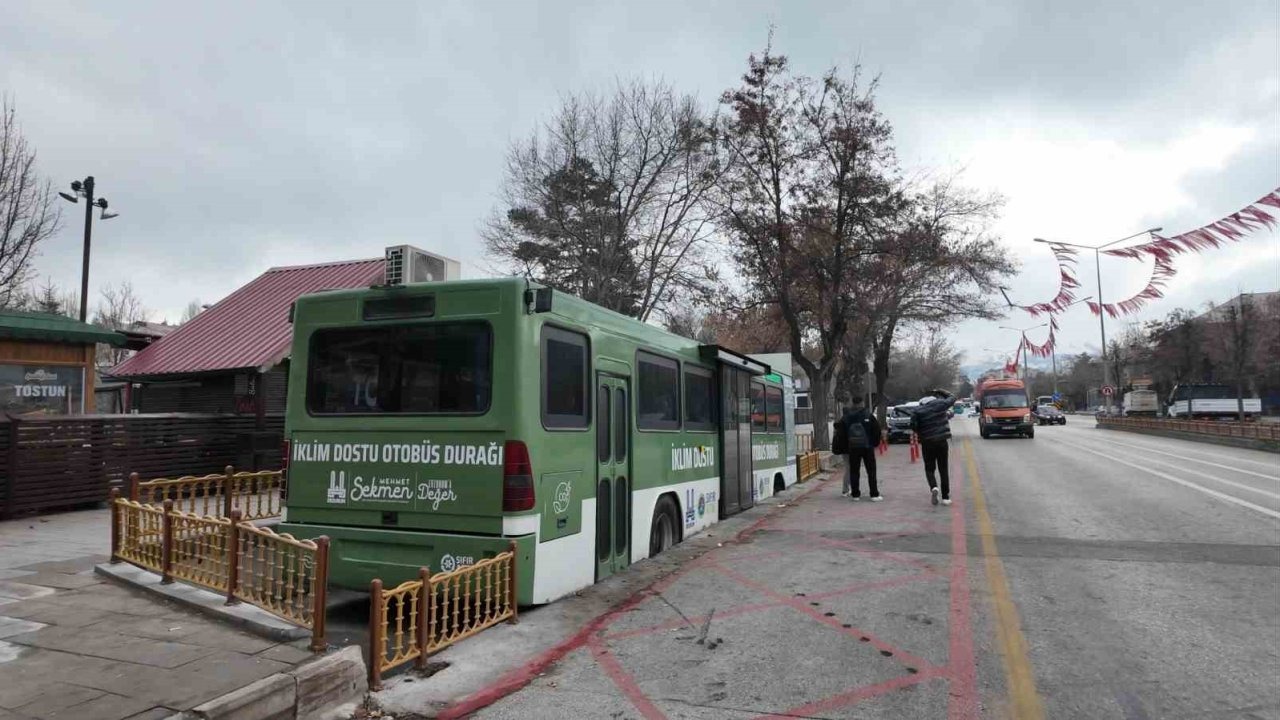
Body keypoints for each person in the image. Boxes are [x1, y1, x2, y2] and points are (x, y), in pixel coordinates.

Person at [910, 388, 957, 506]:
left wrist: (921, 430)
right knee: (943, 469)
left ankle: (934, 487)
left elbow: (913, 426)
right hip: (942, 441)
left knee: (929, 468)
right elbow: (952, 397)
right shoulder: (940, 404)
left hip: (927, 443)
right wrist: (941, 391)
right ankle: (946, 497)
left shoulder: (917, 411)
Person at [837, 397, 882, 501]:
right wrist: (874, 443)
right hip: (867, 447)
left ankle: (855, 494)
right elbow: (876, 430)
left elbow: (841, 433)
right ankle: (874, 494)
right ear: (862, 403)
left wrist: (846, 446)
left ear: (853, 403)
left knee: (854, 471)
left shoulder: (847, 417)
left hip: (853, 448)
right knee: (871, 471)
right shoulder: (868, 415)